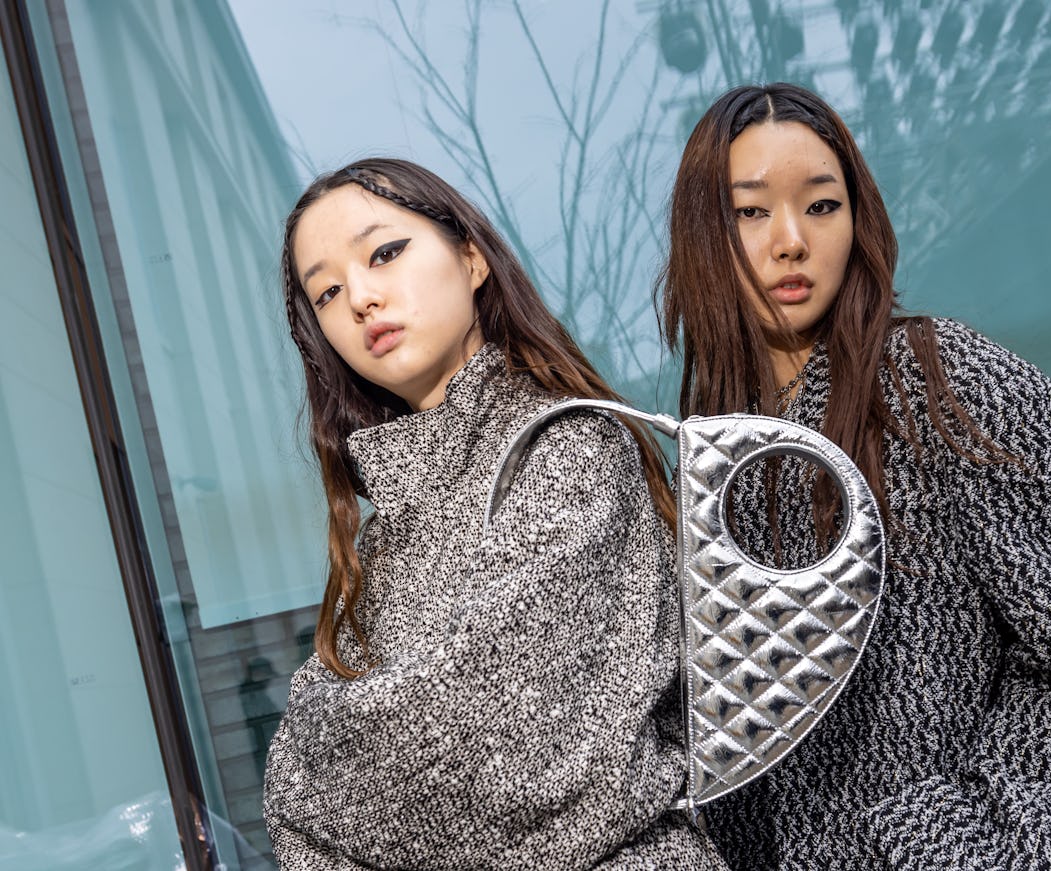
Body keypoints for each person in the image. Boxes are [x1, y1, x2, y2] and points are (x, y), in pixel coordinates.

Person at [658, 83, 1051, 870]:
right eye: (750, 211)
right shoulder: (717, 453)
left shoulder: (946, 386)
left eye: (820, 205)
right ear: (704, 233)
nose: (790, 241)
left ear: (859, 217)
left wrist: (943, 844)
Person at [262, 157, 724, 870]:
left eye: (385, 252)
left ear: (471, 257)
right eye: (326, 291)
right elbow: (292, 823)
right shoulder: (382, 536)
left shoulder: (569, 449)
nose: (358, 297)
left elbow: (488, 752)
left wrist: (326, 754)